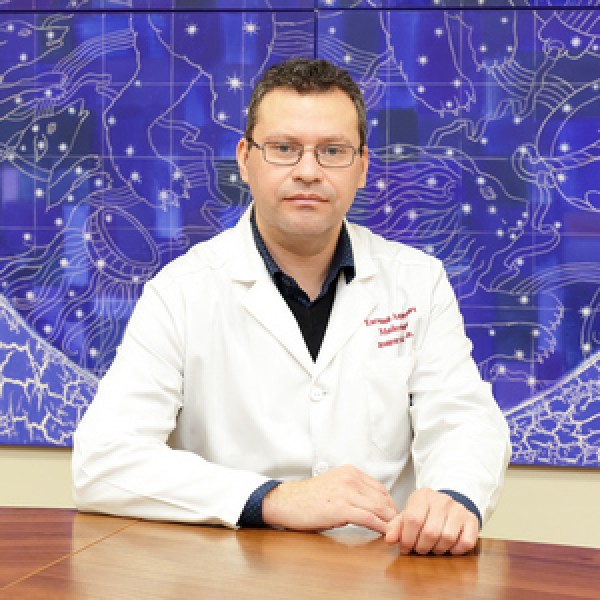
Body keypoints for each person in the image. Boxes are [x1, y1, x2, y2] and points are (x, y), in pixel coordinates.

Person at [72, 58, 511, 556]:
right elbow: (102, 462)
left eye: (333, 151)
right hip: (234, 571)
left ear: (362, 167)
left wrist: (454, 496)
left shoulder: (417, 281)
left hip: (379, 569)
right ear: (245, 159)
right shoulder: (181, 292)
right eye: (284, 149)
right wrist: (273, 499)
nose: (308, 171)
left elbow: (464, 419)